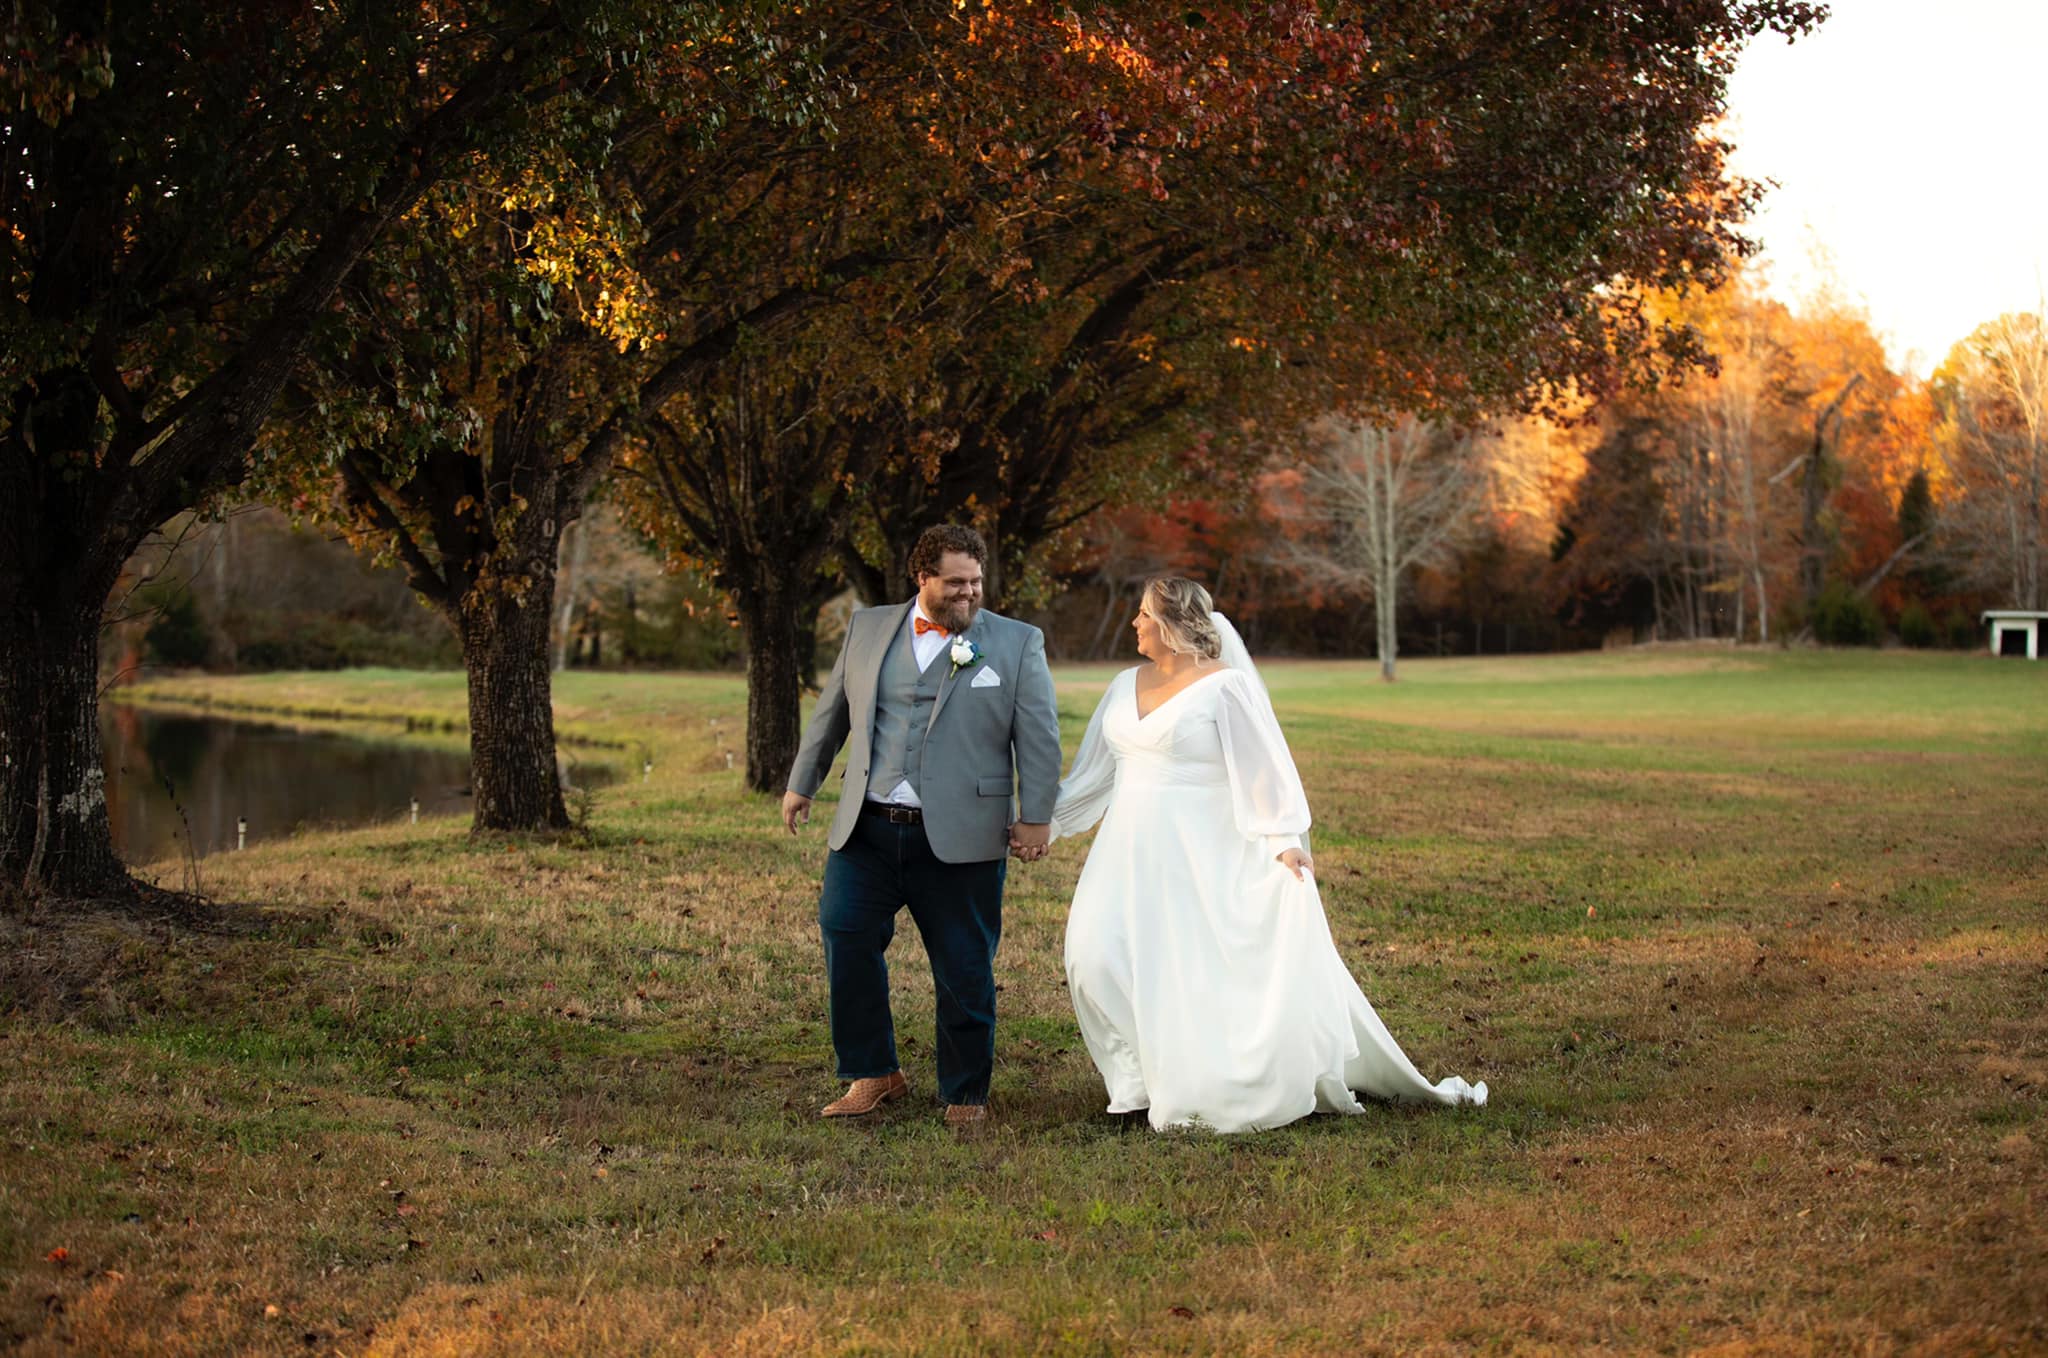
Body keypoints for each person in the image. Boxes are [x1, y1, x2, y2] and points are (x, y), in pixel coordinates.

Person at [1050, 576, 1487, 1133]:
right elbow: (1093, 773)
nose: (1134, 624)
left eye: (1143, 614)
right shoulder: (1122, 685)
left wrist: (1284, 844)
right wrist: (1044, 825)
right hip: (1122, 853)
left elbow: (1262, 770)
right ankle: (1132, 1079)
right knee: (1092, 957)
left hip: (1195, 852)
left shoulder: (1223, 687)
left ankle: (1158, 1091)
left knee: (1178, 968)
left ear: (1173, 624)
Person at [783, 525, 1062, 1130]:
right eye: (956, 582)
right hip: (867, 827)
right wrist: (802, 783)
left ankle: (964, 1094)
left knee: (964, 966)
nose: (969, 593)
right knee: (844, 934)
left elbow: (1039, 736)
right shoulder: (867, 628)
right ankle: (872, 1071)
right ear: (923, 579)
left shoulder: (1016, 643)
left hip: (963, 835)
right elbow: (833, 711)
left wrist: (1036, 817)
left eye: (977, 582)